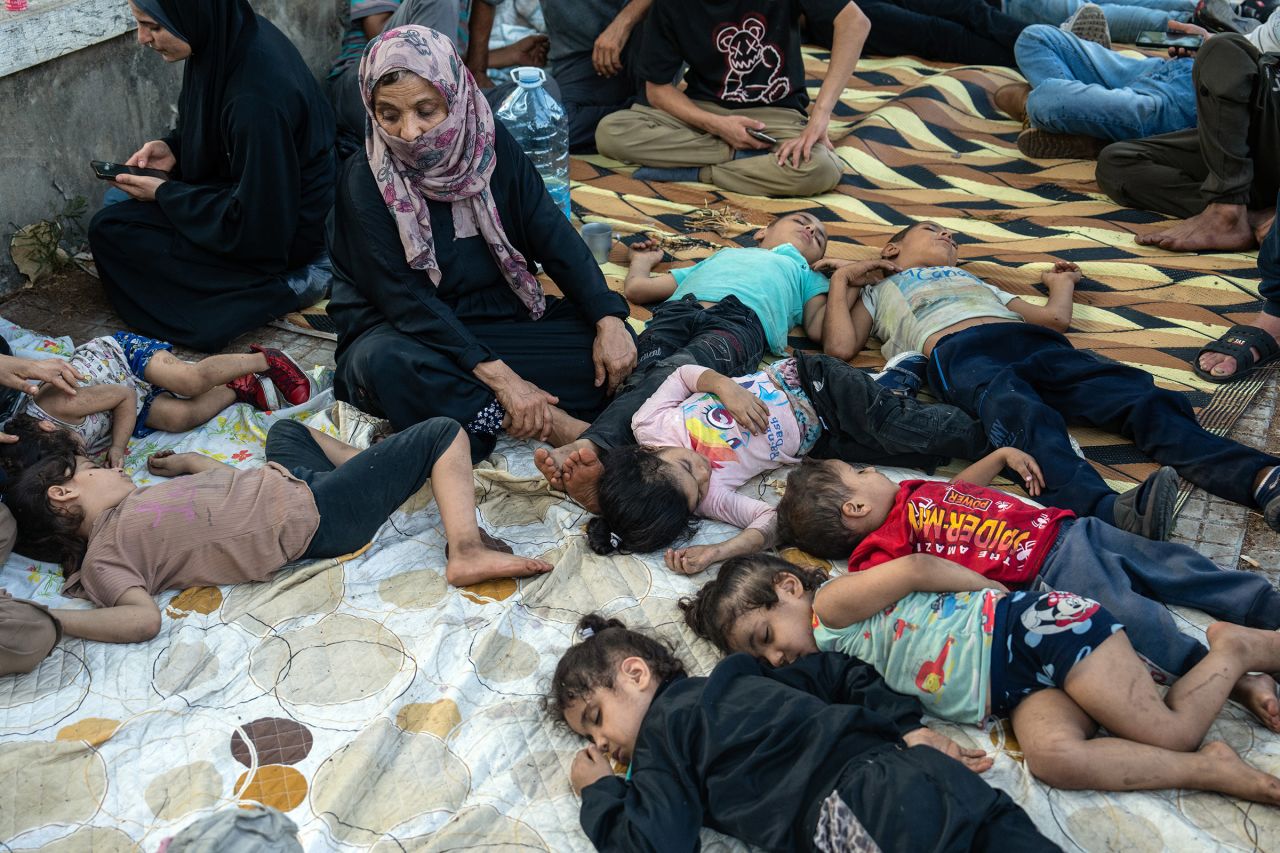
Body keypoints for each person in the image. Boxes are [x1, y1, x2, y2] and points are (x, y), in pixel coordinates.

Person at [682, 551, 1280, 805]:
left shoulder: (830, 605)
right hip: (1017, 690)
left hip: (1033, 631)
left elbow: (915, 568)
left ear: (789, 587)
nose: (779, 659)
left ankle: (1236, 647)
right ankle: (1210, 768)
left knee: (1171, 729)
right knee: (1054, 760)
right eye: (764, 660)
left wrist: (988, 591)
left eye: (767, 639)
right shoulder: (824, 663)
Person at [832, 219, 1280, 537]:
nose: (948, 236)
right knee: (1027, 422)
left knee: (1138, 395)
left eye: (951, 234)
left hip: (1033, 342)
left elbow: (1053, 320)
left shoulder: (978, 282)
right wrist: (844, 281)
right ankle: (1109, 512)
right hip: (961, 354)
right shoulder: (879, 289)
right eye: (932, 230)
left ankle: (1258, 477)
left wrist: (1061, 283)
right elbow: (839, 346)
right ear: (891, 249)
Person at [327, 26, 636, 463]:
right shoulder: (365, 182)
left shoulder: (489, 145)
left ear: (454, 96)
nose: (410, 132)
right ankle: (554, 423)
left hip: (492, 323)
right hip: (405, 334)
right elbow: (406, 301)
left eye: (425, 110)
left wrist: (607, 317)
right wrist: (506, 381)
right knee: (388, 365)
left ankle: (465, 410)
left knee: (608, 352)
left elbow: (549, 231)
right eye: (389, 114)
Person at [774, 449, 1280, 713]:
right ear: (856, 507)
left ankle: (1262, 606)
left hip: (1067, 528)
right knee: (1141, 624)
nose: (872, 470)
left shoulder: (910, 490)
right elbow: (908, 586)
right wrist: (985, 591)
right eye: (860, 471)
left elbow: (958, 490)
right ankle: (1229, 676)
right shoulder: (878, 551)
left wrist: (999, 458)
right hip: (1045, 571)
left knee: (1177, 565)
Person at [1, 415, 554, 645]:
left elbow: (224, 490)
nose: (111, 467)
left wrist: (193, 461)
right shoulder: (103, 560)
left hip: (290, 483)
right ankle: (467, 547)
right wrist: (52, 618)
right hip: (315, 516)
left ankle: (391, 469)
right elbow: (142, 620)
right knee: (442, 431)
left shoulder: (136, 505)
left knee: (288, 429)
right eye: (95, 470)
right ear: (63, 495)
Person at [549, 614, 1057, 852]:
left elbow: (657, 843)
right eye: (585, 737)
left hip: (849, 808)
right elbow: (837, 671)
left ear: (637, 675)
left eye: (594, 717)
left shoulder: (662, 736)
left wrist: (599, 793)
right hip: (917, 772)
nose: (597, 744)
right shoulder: (738, 677)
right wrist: (908, 729)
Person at [533, 214, 900, 510]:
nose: (811, 229)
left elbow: (836, 342)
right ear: (761, 233)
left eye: (820, 236)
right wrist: (641, 262)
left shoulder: (804, 275)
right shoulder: (720, 256)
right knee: (636, 376)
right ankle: (607, 463)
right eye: (802, 221)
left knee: (676, 369)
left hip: (739, 322)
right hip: (677, 312)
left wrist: (842, 280)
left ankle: (596, 447)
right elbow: (639, 290)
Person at [582, 357, 988, 573]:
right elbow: (772, 520)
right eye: (697, 490)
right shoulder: (709, 498)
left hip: (808, 383)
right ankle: (896, 377)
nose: (704, 473)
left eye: (689, 466)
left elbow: (685, 374)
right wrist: (720, 551)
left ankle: (994, 427)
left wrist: (725, 388)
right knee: (916, 453)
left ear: (648, 452)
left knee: (905, 425)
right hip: (824, 436)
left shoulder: (649, 424)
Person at [87, 0, 337, 352]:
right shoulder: (227, 37)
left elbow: (258, 226)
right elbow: (221, 137)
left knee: (112, 233)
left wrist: (163, 194)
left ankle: (292, 285)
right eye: (140, 25)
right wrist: (173, 148)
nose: (143, 38)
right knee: (117, 202)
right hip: (259, 197)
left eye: (154, 27)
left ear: (193, 15)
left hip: (287, 231)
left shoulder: (255, 99)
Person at [593, 0, 867, 197]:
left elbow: (855, 22)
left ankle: (696, 172)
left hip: (775, 114)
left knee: (822, 167)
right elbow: (657, 89)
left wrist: (821, 115)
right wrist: (716, 125)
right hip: (702, 111)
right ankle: (744, 157)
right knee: (610, 132)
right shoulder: (670, 6)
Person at [1096, 28, 1280, 253]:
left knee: (1223, 47)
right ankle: (1243, 216)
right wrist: (1211, 62)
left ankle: (1227, 210)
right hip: (1254, 130)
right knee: (1116, 162)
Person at [21, 334, 315, 467]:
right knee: (180, 418)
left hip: (122, 361)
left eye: (75, 447)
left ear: (47, 427)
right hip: (124, 405)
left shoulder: (59, 406)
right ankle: (241, 386)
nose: (81, 451)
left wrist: (117, 447)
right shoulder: (50, 456)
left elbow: (123, 394)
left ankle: (265, 360)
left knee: (190, 381)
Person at [326, 0, 556, 156]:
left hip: (440, 102)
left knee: (540, 93)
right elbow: (388, 51)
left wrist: (503, 57)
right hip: (369, 87)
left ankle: (451, 130)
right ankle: (448, 134)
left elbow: (441, 59)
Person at [993, 25, 1195, 160]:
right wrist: (1207, 40)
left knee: (1044, 99)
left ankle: (1054, 111)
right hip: (1173, 67)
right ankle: (1084, 123)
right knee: (1033, 37)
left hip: (1182, 105)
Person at [543, 0, 652, 152]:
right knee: (554, 129)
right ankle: (647, 114)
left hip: (637, 37)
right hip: (579, 57)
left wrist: (623, 23)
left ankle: (650, 107)